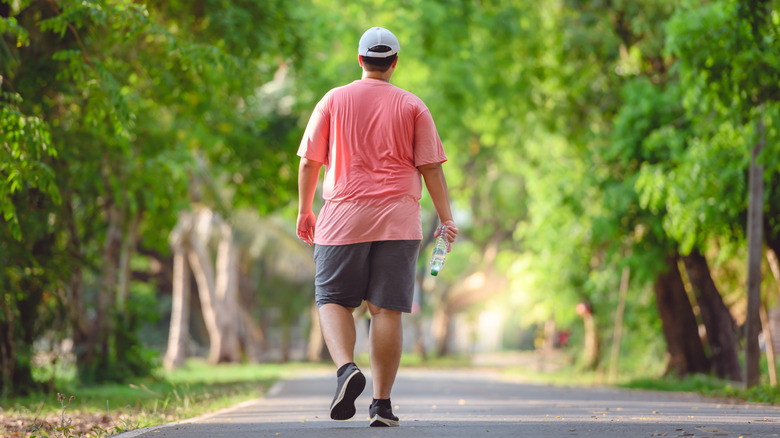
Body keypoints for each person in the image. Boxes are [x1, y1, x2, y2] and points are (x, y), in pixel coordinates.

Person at [296, 26, 458, 428]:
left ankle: (346, 369)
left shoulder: (333, 99)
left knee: (333, 298)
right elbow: (431, 169)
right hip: (399, 220)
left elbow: (308, 163)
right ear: (394, 63)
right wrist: (447, 218)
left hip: (342, 217)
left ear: (360, 59)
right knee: (386, 310)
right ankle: (382, 406)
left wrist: (304, 210)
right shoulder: (412, 105)